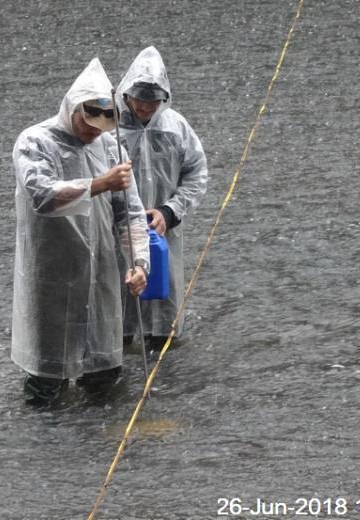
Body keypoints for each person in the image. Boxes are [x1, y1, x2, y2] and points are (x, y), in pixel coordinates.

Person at [11, 57, 150, 405]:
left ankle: (95, 444)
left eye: (101, 125)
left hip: (102, 271)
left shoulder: (109, 146)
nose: (92, 131)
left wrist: (140, 264)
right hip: (52, 273)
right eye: (87, 122)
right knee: (47, 380)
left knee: (104, 376)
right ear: (71, 108)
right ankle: (47, 451)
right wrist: (99, 183)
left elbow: (130, 212)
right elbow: (42, 195)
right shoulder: (35, 142)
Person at [116, 46, 208, 351]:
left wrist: (169, 212)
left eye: (152, 104)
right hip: (118, 232)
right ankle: (117, 356)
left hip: (164, 232)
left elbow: (196, 174)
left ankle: (165, 360)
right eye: (140, 103)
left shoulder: (175, 127)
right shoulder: (110, 130)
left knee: (165, 306)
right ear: (126, 95)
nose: (145, 110)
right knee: (118, 304)